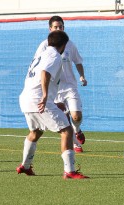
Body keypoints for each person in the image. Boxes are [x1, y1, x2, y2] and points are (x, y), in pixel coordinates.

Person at [16, 30, 89, 179]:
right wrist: (44, 96)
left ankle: (25, 166)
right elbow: (45, 74)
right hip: (38, 99)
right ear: (63, 45)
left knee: (36, 132)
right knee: (67, 131)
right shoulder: (54, 55)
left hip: (26, 99)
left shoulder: (41, 54)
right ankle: (70, 171)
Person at [34, 16, 87, 153]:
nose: (58, 29)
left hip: (70, 87)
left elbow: (78, 61)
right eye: (56, 27)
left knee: (76, 116)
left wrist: (82, 76)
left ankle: (77, 130)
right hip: (55, 89)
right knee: (64, 119)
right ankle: (75, 144)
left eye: (61, 27)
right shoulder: (44, 46)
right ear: (50, 29)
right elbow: (39, 67)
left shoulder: (69, 44)